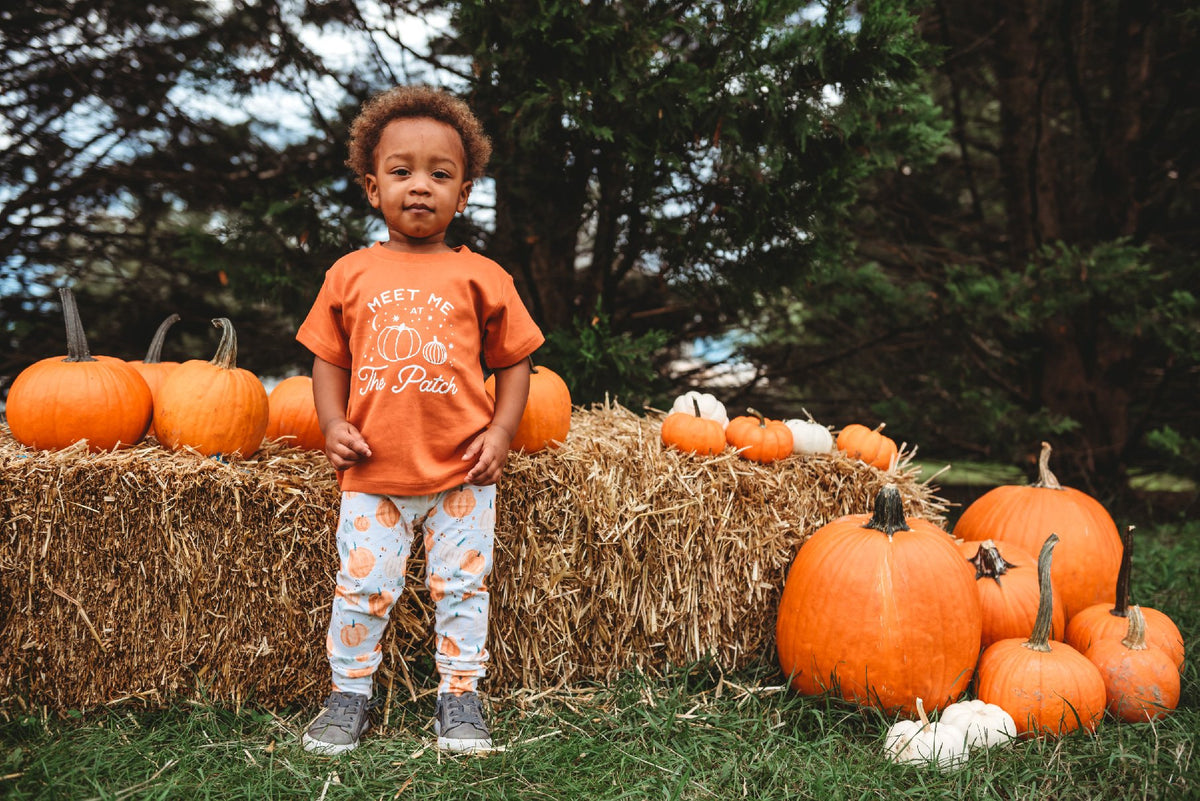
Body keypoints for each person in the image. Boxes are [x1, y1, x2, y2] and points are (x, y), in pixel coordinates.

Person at [295, 85, 544, 755]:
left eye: (441, 174)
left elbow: (517, 362)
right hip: (374, 470)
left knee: (463, 587)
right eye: (402, 171)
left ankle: (459, 696)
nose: (421, 187)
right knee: (363, 587)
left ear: (463, 195)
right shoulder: (349, 273)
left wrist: (500, 432)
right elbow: (328, 359)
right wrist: (330, 422)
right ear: (373, 188)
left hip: (463, 468)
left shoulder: (484, 277)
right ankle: (349, 693)